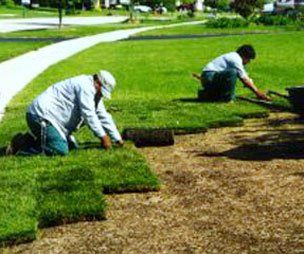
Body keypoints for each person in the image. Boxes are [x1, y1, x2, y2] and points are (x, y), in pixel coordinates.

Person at [6, 70, 124, 156]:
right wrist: (103, 137)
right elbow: (89, 115)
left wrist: (117, 139)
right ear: (98, 82)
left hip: (54, 121)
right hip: (40, 116)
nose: (101, 95)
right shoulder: (85, 87)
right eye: (102, 91)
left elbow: (103, 115)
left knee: (72, 147)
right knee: (60, 150)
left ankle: (28, 140)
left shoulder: (94, 93)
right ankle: (20, 147)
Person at [192, 44, 270, 102]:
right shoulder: (235, 59)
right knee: (232, 72)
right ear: (244, 56)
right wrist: (257, 92)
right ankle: (228, 99)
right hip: (210, 77)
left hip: (209, 76)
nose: (248, 62)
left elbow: (245, 76)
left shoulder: (234, 57)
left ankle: (206, 94)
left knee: (232, 73)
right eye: (248, 59)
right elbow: (244, 79)